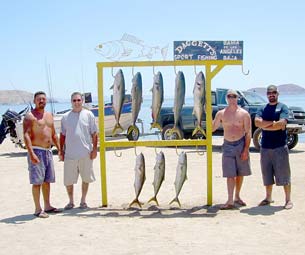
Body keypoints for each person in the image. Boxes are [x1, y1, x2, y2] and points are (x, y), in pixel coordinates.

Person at [23, 91, 62, 218]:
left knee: (47, 181)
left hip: (48, 152)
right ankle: (37, 209)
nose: (41, 101)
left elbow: (53, 134)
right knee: (37, 182)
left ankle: (47, 206)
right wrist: (31, 153)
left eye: (44, 99)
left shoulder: (49, 116)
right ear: (34, 101)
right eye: (39, 99)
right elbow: (26, 135)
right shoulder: (30, 116)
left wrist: (60, 149)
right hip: (36, 151)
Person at [255, 85, 293, 209]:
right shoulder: (262, 108)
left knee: (284, 174)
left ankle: (288, 200)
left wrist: (265, 125)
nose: (272, 94)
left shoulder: (283, 107)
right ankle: (268, 197)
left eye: (274, 92)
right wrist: (273, 124)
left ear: (278, 94)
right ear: (267, 94)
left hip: (280, 147)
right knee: (267, 174)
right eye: (269, 93)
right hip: (265, 147)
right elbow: (257, 122)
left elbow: (282, 124)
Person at [212, 89, 252, 210]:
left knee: (240, 173)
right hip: (228, 145)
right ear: (226, 98)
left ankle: (237, 196)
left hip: (240, 143)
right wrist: (205, 114)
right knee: (230, 174)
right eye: (229, 96)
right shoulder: (221, 113)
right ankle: (230, 200)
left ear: (238, 98)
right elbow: (212, 128)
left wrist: (246, 149)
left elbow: (248, 132)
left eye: (234, 96)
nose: (231, 98)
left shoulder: (244, 114)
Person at [59, 92, 98, 210]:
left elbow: (94, 133)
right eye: (74, 100)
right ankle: (71, 201)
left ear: (82, 101)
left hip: (85, 153)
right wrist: (61, 151)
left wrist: (95, 149)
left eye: (78, 100)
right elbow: (62, 135)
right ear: (71, 102)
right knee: (68, 180)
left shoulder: (89, 114)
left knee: (86, 178)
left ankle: (83, 201)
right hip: (70, 154)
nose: (76, 103)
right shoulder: (65, 117)